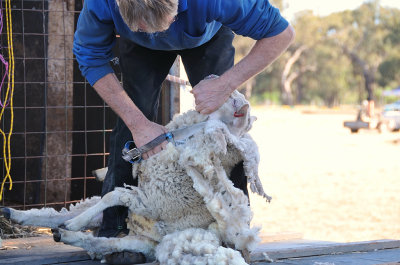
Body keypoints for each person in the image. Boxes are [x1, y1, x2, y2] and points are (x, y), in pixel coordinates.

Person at [73, 0, 294, 262]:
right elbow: (89, 54)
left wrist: (225, 84)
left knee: (222, 127)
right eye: (143, 27)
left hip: (207, 35)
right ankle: (116, 230)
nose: (155, 33)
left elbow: (281, 33)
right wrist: (137, 123)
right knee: (134, 117)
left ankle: (233, 233)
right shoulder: (101, 2)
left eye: (156, 26)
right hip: (139, 47)